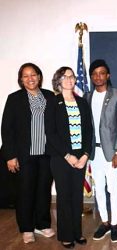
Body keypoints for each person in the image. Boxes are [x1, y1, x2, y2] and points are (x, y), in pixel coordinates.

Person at [1, 63, 55, 244]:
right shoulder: (14, 99)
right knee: (25, 193)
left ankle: (42, 224)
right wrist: (10, 155)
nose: (30, 78)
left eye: (33, 74)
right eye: (26, 76)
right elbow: (6, 129)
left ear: (39, 77)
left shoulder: (49, 96)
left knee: (43, 191)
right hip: (25, 155)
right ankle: (26, 228)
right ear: (21, 79)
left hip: (46, 154)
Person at [45, 66, 92, 248]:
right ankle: (66, 235)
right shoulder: (53, 102)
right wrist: (67, 155)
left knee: (76, 197)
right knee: (64, 197)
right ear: (58, 81)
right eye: (65, 77)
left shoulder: (82, 102)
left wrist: (85, 155)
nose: (70, 79)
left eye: (72, 76)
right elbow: (51, 132)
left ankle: (77, 233)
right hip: (60, 158)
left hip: (80, 158)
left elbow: (89, 131)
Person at [85, 59, 117, 243]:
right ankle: (105, 222)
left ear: (108, 75)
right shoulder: (87, 97)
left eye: (102, 73)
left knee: (113, 188)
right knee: (99, 189)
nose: (98, 77)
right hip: (94, 153)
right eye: (94, 74)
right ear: (91, 77)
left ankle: (115, 224)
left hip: (111, 153)